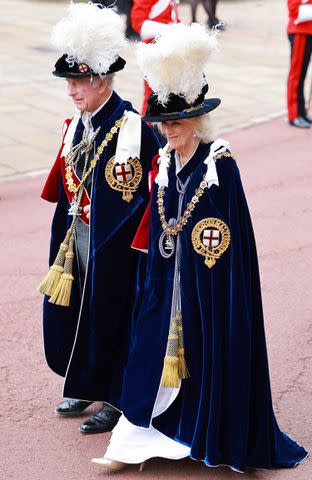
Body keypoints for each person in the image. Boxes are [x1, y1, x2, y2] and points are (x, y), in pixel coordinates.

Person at [91, 23, 308, 472]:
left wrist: (200, 282)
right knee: (148, 355)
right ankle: (128, 447)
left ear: (197, 119)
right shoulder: (166, 160)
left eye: (177, 122)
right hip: (165, 285)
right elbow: (161, 225)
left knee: (205, 355)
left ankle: (210, 436)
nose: (168, 131)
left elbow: (227, 239)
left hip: (207, 287)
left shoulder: (220, 165)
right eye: (163, 123)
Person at [37, 2, 159, 435]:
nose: (71, 90)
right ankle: (86, 381)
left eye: (78, 82)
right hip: (79, 233)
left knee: (114, 310)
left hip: (118, 242)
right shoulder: (80, 122)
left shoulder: (131, 126)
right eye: (69, 81)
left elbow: (145, 194)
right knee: (79, 311)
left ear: (102, 79)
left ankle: (115, 395)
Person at [131, 0, 180, 116]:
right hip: (154, 51)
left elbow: (172, 17)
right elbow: (138, 22)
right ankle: (147, 130)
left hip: (171, 48)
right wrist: (172, 30)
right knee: (152, 96)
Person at [287, 0, 312, 128]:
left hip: (308, 30)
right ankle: (294, 115)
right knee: (296, 75)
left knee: (302, 76)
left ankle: (301, 112)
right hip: (300, 31)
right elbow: (294, 9)